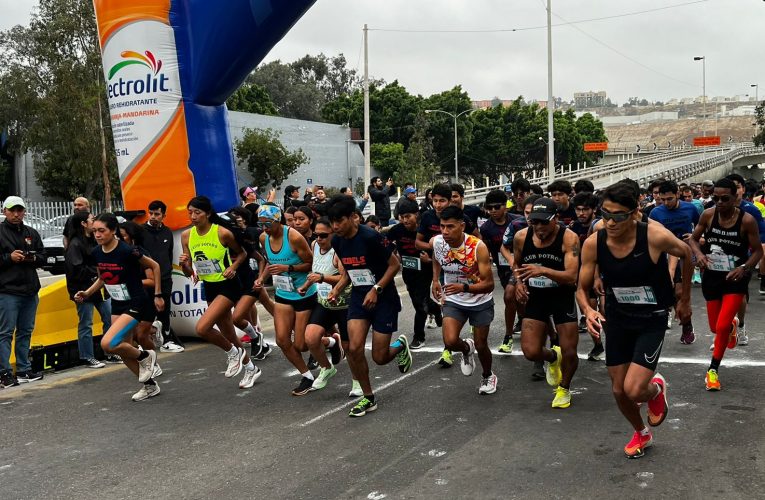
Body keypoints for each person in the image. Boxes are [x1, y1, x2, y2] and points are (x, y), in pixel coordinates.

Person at [577, 182, 691, 459]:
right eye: (605, 214)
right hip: (617, 316)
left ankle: (654, 390)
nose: (610, 222)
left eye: (618, 216)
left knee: (634, 388)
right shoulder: (595, 242)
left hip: (651, 317)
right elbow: (580, 288)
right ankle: (641, 431)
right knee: (619, 391)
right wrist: (588, 310)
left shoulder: (654, 236)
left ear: (635, 213)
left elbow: (686, 253)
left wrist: (684, 298)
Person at [326, 194, 412, 417]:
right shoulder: (337, 241)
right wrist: (337, 288)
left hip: (383, 297)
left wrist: (377, 289)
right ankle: (368, 397)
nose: (335, 226)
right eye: (332, 222)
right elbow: (350, 272)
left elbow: (395, 265)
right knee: (353, 348)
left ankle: (401, 346)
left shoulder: (371, 237)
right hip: (358, 297)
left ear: (353, 217)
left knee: (380, 358)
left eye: (339, 221)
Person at [75, 213, 164, 401]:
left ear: (113, 230)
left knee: (108, 343)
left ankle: (144, 356)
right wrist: (87, 293)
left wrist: (157, 294)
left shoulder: (127, 251)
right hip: (117, 303)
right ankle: (149, 386)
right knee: (120, 347)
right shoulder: (97, 252)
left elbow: (155, 266)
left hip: (136, 303)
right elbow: (103, 277)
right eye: (95, 231)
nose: (97, 235)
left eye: (102, 231)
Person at [180, 196, 260, 390]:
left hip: (228, 285)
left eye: (197, 212)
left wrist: (233, 267)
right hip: (209, 286)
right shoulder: (186, 236)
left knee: (202, 328)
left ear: (207, 213)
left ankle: (233, 353)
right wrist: (185, 265)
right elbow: (188, 271)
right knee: (229, 335)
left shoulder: (222, 232)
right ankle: (250, 368)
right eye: (190, 212)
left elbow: (242, 253)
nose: (193, 216)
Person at [690, 178, 762, 390]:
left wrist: (744, 268)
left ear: (735, 198)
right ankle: (731, 325)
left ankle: (713, 370)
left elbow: (758, 251)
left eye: (724, 198)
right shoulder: (708, 215)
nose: (719, 202)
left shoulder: (747, 220)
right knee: (715, 326)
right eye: (715, 198)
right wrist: (699, 255)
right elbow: (693, 239)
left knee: (720, 327)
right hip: (712, 277)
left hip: (735, 279)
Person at [513, 197, 580, 408]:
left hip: (562, 295)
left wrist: (542, 270)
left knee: (570, 350)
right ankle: (552, 357)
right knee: (531, 351)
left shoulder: (569, 238)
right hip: (537, 295)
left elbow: (571, 276)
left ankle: (564, 388)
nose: (539, 227)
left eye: (544, 222)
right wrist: (519, 283)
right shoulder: (521, 237)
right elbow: (517, 263)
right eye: (534, 222)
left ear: (556, 219)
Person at [432, 206, 497, 394]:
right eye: (442, 226)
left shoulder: (478, 247)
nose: (445, 231)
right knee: (450, 341)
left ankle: (488, 375)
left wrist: (464, 287)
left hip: (480, 301)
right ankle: (466, 348)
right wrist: (435, 280)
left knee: (482, 345)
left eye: (450, 227)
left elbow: (489, 285)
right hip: (454, 299)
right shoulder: (437, 242)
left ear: (462, 226)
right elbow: (436, 259)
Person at [255, 203, 318, 395]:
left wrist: (288, 268)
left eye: (268, 223)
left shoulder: (294, 237)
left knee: (301, 344)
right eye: (261, 223)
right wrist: (261, 278)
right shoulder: (263, 237)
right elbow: (269, 262)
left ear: (278, 220)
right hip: (282, 293)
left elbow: (310, 264)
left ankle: (331, 342)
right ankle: (307, 376)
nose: (264, 227)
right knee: (282, 340)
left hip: (303, 292)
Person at [416, 183, 475, 367]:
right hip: (441, 268)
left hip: (465, 269)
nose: (438, 205)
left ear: (450, 201)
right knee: (445, 304)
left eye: (442, 201)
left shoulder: (461, 218)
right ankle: (447, 349)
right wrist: (436, 247)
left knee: (469, 300)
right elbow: (418, 243)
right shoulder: (426, 217)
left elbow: (477, 240)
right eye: (435, 201)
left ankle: (473, 323)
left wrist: (461, 252)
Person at [300, 218, 350, 393]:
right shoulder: (314, 245)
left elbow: (345, 277)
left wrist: (322, 278)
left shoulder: (338, 251)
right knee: (311, 338)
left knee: (352, 349)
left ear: (333, 235)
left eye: (323, 235)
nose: (319, 239)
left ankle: (358, 382)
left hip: (344, 304)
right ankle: (327, 367)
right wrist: (306, 286)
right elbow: (315, 271)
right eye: (316, 235)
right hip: (324, 303)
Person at [0, 196, 46, 387]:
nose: (16, 214)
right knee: (5, 333)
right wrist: (9, 258)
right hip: (7, 291)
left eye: (20, 210)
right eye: (12, 210)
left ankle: (24, 369)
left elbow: (44, 257)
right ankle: (4, 372)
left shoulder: (31, 233)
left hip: (30, 291)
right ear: (5, 211)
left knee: (25, 331)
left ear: (24, 211)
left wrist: (32, 258)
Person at [649, 180, 700, 344]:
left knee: (681, 292)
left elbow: (701, 226)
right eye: (662, 199)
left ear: (678, 194)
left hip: (684, 254)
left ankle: (687, 326)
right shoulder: (655, 213)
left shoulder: (691, 208)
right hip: (664, 254)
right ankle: (668, 312)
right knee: (666, 291)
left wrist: (696, 237)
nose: (666, 203)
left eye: (669, 199)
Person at [387, 200, 440, 349]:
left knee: (419, 304)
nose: (405, 220)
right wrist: (392, 254)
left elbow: (440, 253)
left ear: (416, 215)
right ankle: (436, 309)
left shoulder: (425, 230)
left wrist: (428, 260)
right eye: (402, 217)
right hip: (409, 272)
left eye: (408, 216)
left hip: (425, 271)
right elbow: (385, 244)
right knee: (418, 300)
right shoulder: (397, 230)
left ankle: (419, 336)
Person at [64, 210, 111, 368]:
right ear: (84, 224)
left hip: (99, 288)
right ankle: (87, 356)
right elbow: (77, 269)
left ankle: (110, 351)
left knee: (109, 318)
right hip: (82, 290)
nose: (94, 221)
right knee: (86, 323)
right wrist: (99, 271)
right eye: (92, 219)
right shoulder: (75, 244)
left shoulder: (94, 240)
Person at [143, 200, 185, 353]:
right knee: (147, 309)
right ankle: (145, 340)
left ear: (163, 215)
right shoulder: (141, 232)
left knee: (165, 309)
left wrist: (166, 273)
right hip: (148, 280)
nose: (153, 217)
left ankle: (167, 340)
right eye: (151, 213)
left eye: (157, 214)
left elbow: (169, 253)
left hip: (166, 277)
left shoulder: (167, 232)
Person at [480, 189, 518, 353]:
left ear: (505, 206)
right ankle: (522, 321)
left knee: (510, 294)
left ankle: (508, 336)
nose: (493, 211)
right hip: (503, 268)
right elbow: (487, 251)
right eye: (490, 208)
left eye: (497, 207)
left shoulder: (517, 221)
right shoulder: (487, 228)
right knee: (514, 300)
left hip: (521, 265)